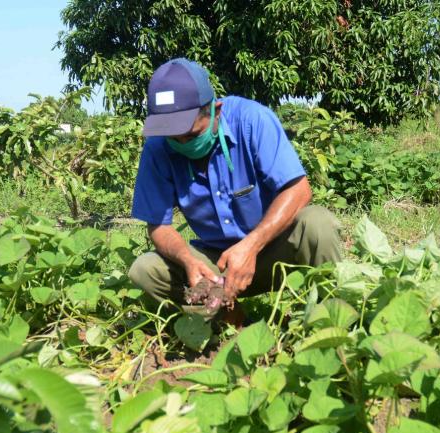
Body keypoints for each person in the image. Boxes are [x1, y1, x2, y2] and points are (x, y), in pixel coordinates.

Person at [128, 58, 342, 324]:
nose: (183, 144)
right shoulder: (158, 148)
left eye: (192, 135)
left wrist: (251, 246)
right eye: (175, 139)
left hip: (274, 252)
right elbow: (158, 226)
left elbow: (299, 190)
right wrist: (187, 261)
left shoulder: (252, 120)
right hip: (216, 265)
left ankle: (334, 320)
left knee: (318, 223)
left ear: (216, 111)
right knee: (145, 270)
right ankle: (231, 321)